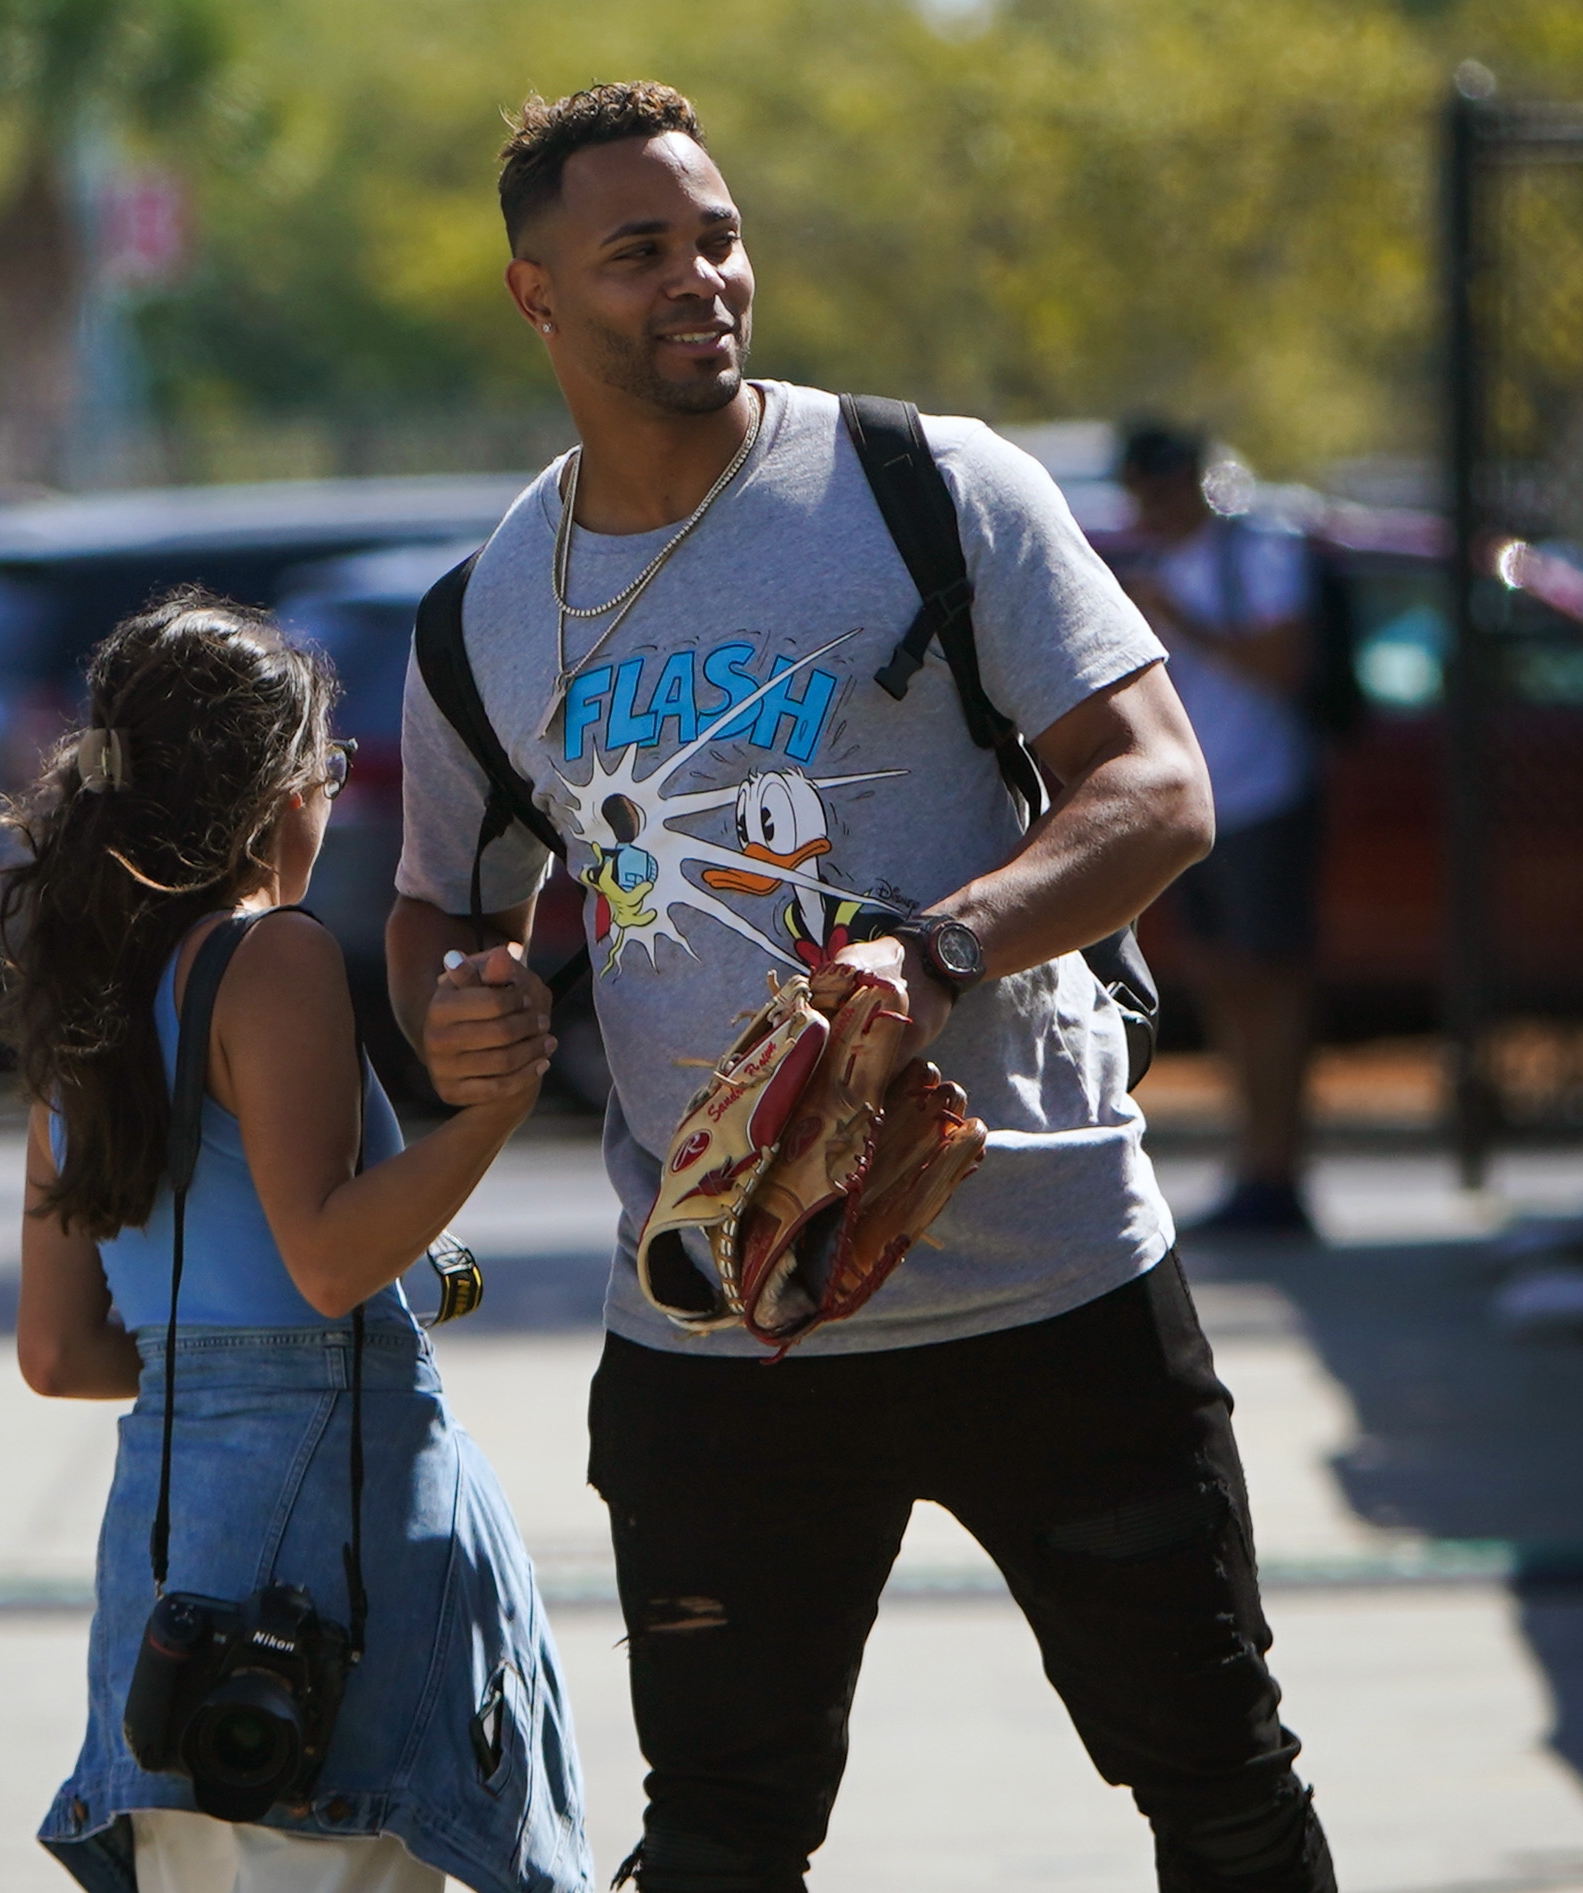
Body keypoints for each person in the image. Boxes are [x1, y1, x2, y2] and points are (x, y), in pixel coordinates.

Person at [386, 82, 1336, 1893]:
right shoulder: (486, 614)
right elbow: (445, 903)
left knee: (1219, 1782)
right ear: (537, 297)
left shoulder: (930, 488)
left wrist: (941, 943)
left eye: (721, 236)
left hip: (1052, 1274)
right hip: (723, 1323)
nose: (705, 280)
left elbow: (1159, 788)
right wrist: (459, 1004)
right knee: (724, 1834)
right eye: (641, 252)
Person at [0, 593, 590, 1893]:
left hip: (168, 1566)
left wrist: (216, 1352)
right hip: (332, 1553)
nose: (331, 792)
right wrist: (494, 1110)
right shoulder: (273, 958)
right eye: (327, 763)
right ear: (276, 786)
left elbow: (58, 1347)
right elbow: (325, 1261)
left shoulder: (83, 990)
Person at [1114, 424, 1328, 1238]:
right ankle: (1253, 1165)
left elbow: (1281, 663)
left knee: (1271, 984)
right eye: (1141, 493)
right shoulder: (1152, 564)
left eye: (1164, 490)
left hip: (1263, 795)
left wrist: (1179, 616)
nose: (1153, 508)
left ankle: (1281, 1168)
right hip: (1192, 807)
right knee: (1222, 985)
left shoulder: (1255, 554)